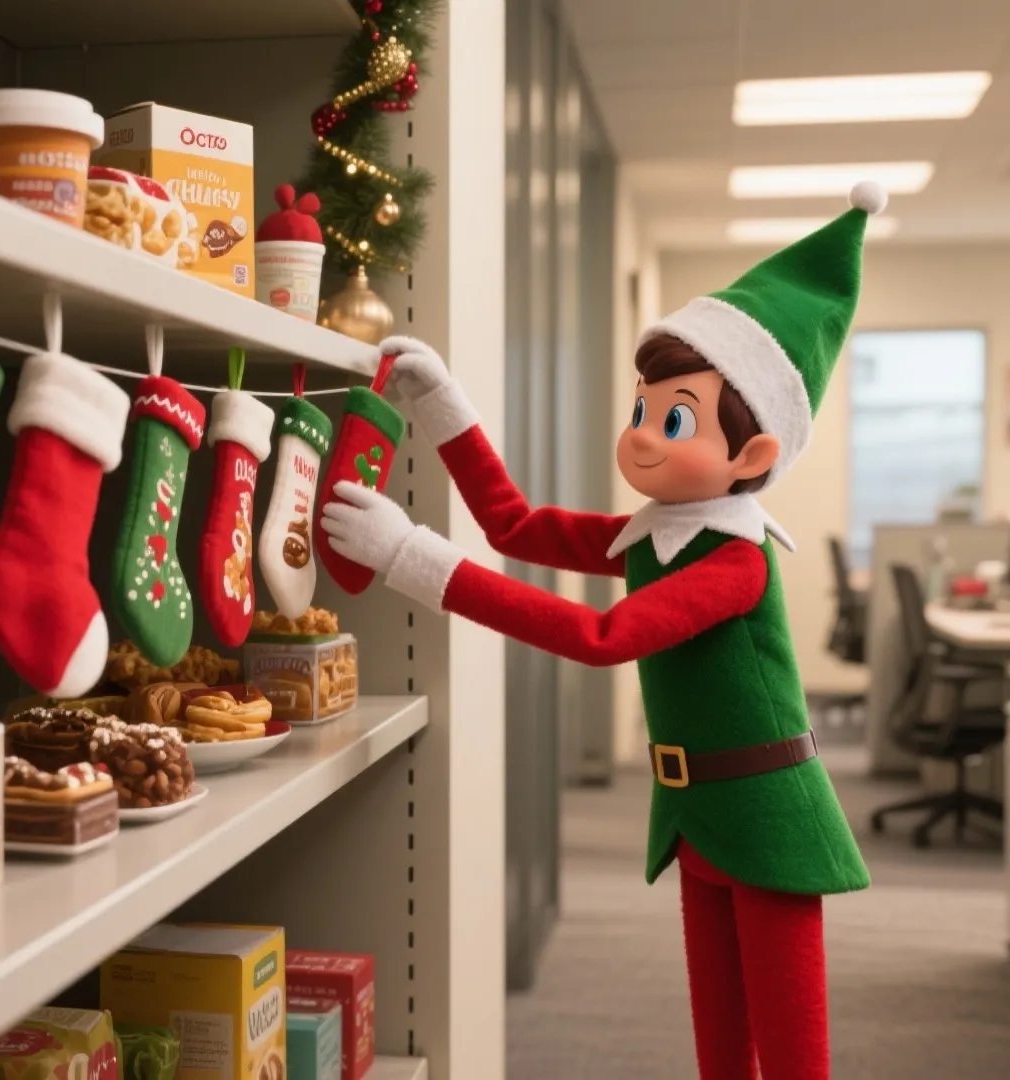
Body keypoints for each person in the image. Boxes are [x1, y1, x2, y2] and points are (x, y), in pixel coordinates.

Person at [321, 184, 887, 1079]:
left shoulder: (734, 562)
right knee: (720, 1048)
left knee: (790, 1055)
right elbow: (515, 525)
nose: (642, 438)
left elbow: (605, 636)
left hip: (769, 818)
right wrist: (445, 410)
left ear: (753, 458)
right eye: (642, 410)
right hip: (697, 816)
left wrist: (415, 561)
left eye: (674, 419)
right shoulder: (659, 533)